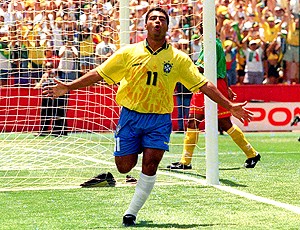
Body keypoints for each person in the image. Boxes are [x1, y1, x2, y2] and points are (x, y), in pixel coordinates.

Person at [43, 7, 253, 227]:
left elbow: (203, 83)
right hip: (130, 117)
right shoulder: (129, 52)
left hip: (159, 120)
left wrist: (229, 105)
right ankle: (132, 159)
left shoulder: (178, 59)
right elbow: (99, 73)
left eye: (162, 19)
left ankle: (131, 213)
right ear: (146, 25)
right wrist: (68, 87)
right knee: (124, 166)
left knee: (151, 165)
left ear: (167, 26)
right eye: (153, 18)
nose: (157, 22)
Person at [167, 37, 260, 170]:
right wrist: (227, 88)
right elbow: (218, 67)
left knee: (224, 123)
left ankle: (252, 154)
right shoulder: (208, 42)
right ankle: (185, 161)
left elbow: (204, 68)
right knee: (193, 121)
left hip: (213, 84)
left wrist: (179, 62)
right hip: (204, 83)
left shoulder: (213, 43)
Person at [34, 62, 68, 137]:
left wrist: (53, 75)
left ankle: (59, 131)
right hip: (47, 96)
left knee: (59, 114)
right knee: (45, 114)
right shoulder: (44, 76)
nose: (48, 70)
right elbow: (38, 86)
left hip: (58, 96)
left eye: (49, 67)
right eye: (46, 68)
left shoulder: (59, 73)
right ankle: (43, 130)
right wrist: (42, 80)